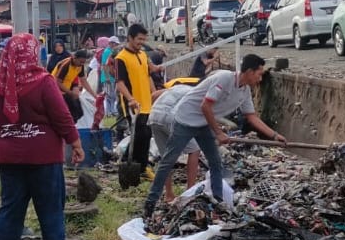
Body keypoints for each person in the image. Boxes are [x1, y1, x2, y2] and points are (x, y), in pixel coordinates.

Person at [0, 34, 84, 240]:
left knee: (10, 210)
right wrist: (75, 143)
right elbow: (61, 117)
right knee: (50, 210)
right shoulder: (43, 81)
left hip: (9, 157)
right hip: (44, 157)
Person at [143, 54, 287, 217]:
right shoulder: (224, 78)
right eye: (259, 74)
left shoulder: (244, 91)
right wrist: (218, 132)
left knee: (215, 162)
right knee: (168, 160)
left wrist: (274, 135)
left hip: (203, 123)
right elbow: (205, 106)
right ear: (249, 71)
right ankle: (150, 203)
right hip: (185, 119)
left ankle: (218, 202)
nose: (260, 79)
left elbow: (252, 117)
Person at [148, 83, 201, 203]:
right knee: (194, 150)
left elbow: (154, 95)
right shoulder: (198, 93)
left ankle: (168, 194)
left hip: (154, 116)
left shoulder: (176, 88)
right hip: (171, 118)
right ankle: (189, 193)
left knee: (166, 156)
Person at [115, 25, 156, 173]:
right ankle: (132, 164)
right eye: (139, 39)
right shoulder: (121, 58)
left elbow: (147, 76)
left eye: (144, 39)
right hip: (132, 104)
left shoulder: (143, 55)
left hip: (146, 102)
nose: (142, 42)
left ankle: (139, 166)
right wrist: (130, 99)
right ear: (130, 38)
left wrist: (154, 93)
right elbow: (120, 83)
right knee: (140, 134)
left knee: (146, 134)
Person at [51, 49, 92, 123]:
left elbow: (83, 81)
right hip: (56, 90)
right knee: (71, 113)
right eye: (80, 61)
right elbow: (58, 82)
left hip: (67, 90)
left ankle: (71, 126)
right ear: (74, 58)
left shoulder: (80, 66)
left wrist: (94, 95)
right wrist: (70, 92)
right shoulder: (66, 65)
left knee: (79, 113)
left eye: (84, 62)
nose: (82, 64)